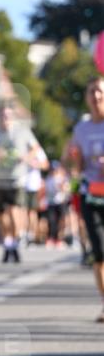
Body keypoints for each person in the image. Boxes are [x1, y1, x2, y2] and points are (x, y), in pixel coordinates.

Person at [0, 105, 47, 263]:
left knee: (15, 212)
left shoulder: (22, 132)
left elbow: (36, 148)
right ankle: (8, 245)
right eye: (2, 116)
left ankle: (15, 242)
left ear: (13, 117)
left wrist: (26, 157)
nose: (5, 119)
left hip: (16, 179)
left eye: (8, 115)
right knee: (1, 215)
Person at [69, 78, 104, 321]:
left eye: (100, 91)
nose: (96, 96)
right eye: (92, 92)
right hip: (91, 194)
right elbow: (78, 166)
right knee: (99, 252)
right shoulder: (81, 129)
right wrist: (76, 160)